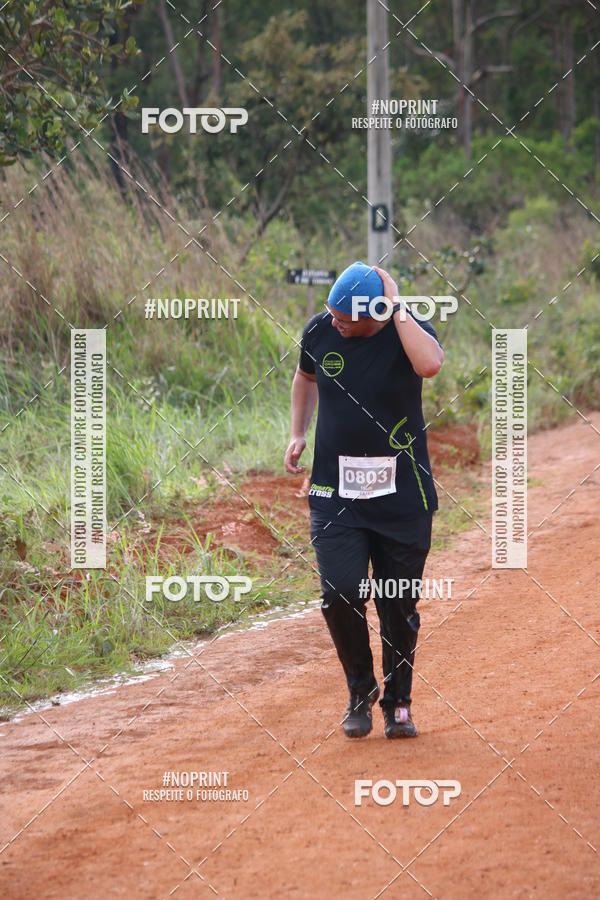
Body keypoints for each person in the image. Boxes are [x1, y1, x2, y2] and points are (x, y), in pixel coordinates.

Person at [284, 260, 444, 739]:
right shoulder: (320, 331)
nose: (334, 322)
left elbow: (430, 365)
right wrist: (297, 433)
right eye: (332, 313)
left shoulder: (405, 329)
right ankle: (360, 689)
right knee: (339, 593)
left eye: (345, 317)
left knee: (397, 604)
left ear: (375, 313)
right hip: (335, 494)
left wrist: (395, 308)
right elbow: (305, 378)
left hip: (402, 499)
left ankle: (399, 704)